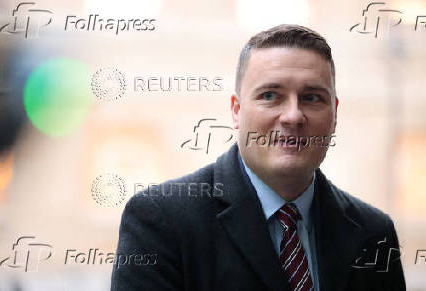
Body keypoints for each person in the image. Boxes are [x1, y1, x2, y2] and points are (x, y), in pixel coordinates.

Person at [110, 24, 406, 291]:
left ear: (335, 114)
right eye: (270, 96)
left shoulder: (374, 233)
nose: (293, 116)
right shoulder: (161, 222)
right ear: (236, 111)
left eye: (312, 97)